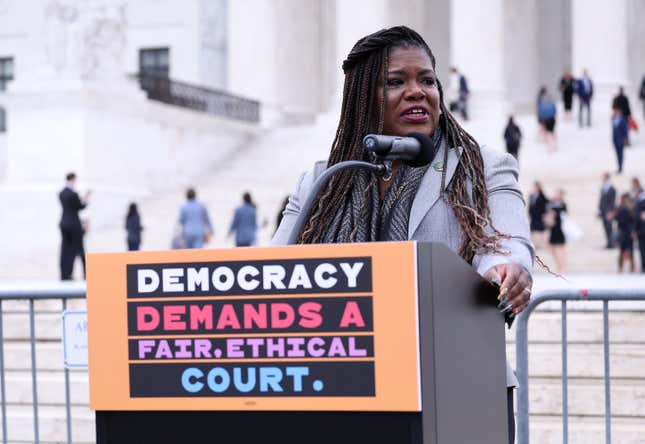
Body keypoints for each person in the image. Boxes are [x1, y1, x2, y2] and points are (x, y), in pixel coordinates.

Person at [272, 26, 533, 444]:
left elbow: (503, 243)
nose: (418, 92)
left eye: (426, 80)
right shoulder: (324, 181)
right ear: (363, 96)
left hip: (458, 393)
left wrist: (506, 269)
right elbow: (274, 271)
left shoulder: (483, 167)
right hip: (346, 392)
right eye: (396, 81)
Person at [59, 172, 90, 280]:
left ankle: (66, 274)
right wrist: (86, 199)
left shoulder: (61, 193)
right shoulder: (73, 194)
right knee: (80, 250)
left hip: (64, 224)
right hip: (74, 225)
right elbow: (81, 207)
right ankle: (86, 273)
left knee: (66, 251)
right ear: (72, 179)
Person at [546, 189, 567, 274]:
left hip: (559, 228)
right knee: (552, 247)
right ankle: (558, 265)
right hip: (553, 229)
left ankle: (562, 266)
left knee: (561, 248)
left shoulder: (563, 204)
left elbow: (564, 215)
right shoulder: (551, 203)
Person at [614, 193, 636, 273]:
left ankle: (632, 267)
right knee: (622, 251)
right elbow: (617, 219)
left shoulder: (631, 209)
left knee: (630, 251)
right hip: (622, 232)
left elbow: (633, 221)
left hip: (628, 232)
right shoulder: (620, 208)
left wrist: (633, 231)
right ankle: (621, 268)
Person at [528, 181, 549, 249]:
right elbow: (530, 206)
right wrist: (530, 214)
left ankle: (547, 245)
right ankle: (531, 244)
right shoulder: (531, 195)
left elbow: (546, 204)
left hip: (540, 217)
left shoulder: (542, 196)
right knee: (532, 232)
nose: (535, 188)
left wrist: (544, 214)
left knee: (542, 232)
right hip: (534, 217)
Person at [598, 173, 616, 249]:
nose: (603, 179)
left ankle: (612, 243)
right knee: (605, 227)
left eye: (604, 177)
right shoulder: (603, 188)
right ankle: (609, 242)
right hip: (603, 211)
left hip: (608, 211)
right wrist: (599, 210)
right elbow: (601, 200)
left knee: (610, 227)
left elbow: (612, 202)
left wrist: (611, 211)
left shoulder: (612, 189)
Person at [611, 104, 628, 174]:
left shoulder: (623, 120)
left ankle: (620, 168)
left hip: (621, 139)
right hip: (615, 139)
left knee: (621, 154)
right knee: (617, 154)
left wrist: (625, 138)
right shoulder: (614, 119)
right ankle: (618, 167)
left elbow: (625, 130)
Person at [634, 187, 645, 273]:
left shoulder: (639, 202)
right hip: (641, 230)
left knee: (642, 249)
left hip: (641, 230)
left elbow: (637, 217)